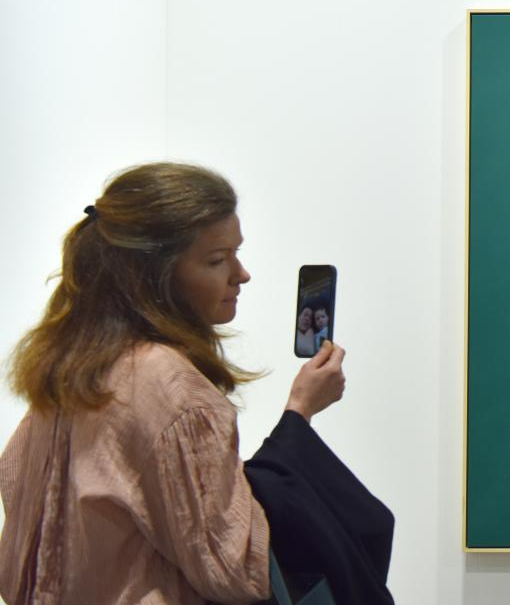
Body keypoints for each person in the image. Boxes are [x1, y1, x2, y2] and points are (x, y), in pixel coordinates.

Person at [0, 162, 387, 604]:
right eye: (217, 259)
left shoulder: (66, 374)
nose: (241, 274)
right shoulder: (171, 388)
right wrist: (298, 415)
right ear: (156, 275)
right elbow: (235, 570)